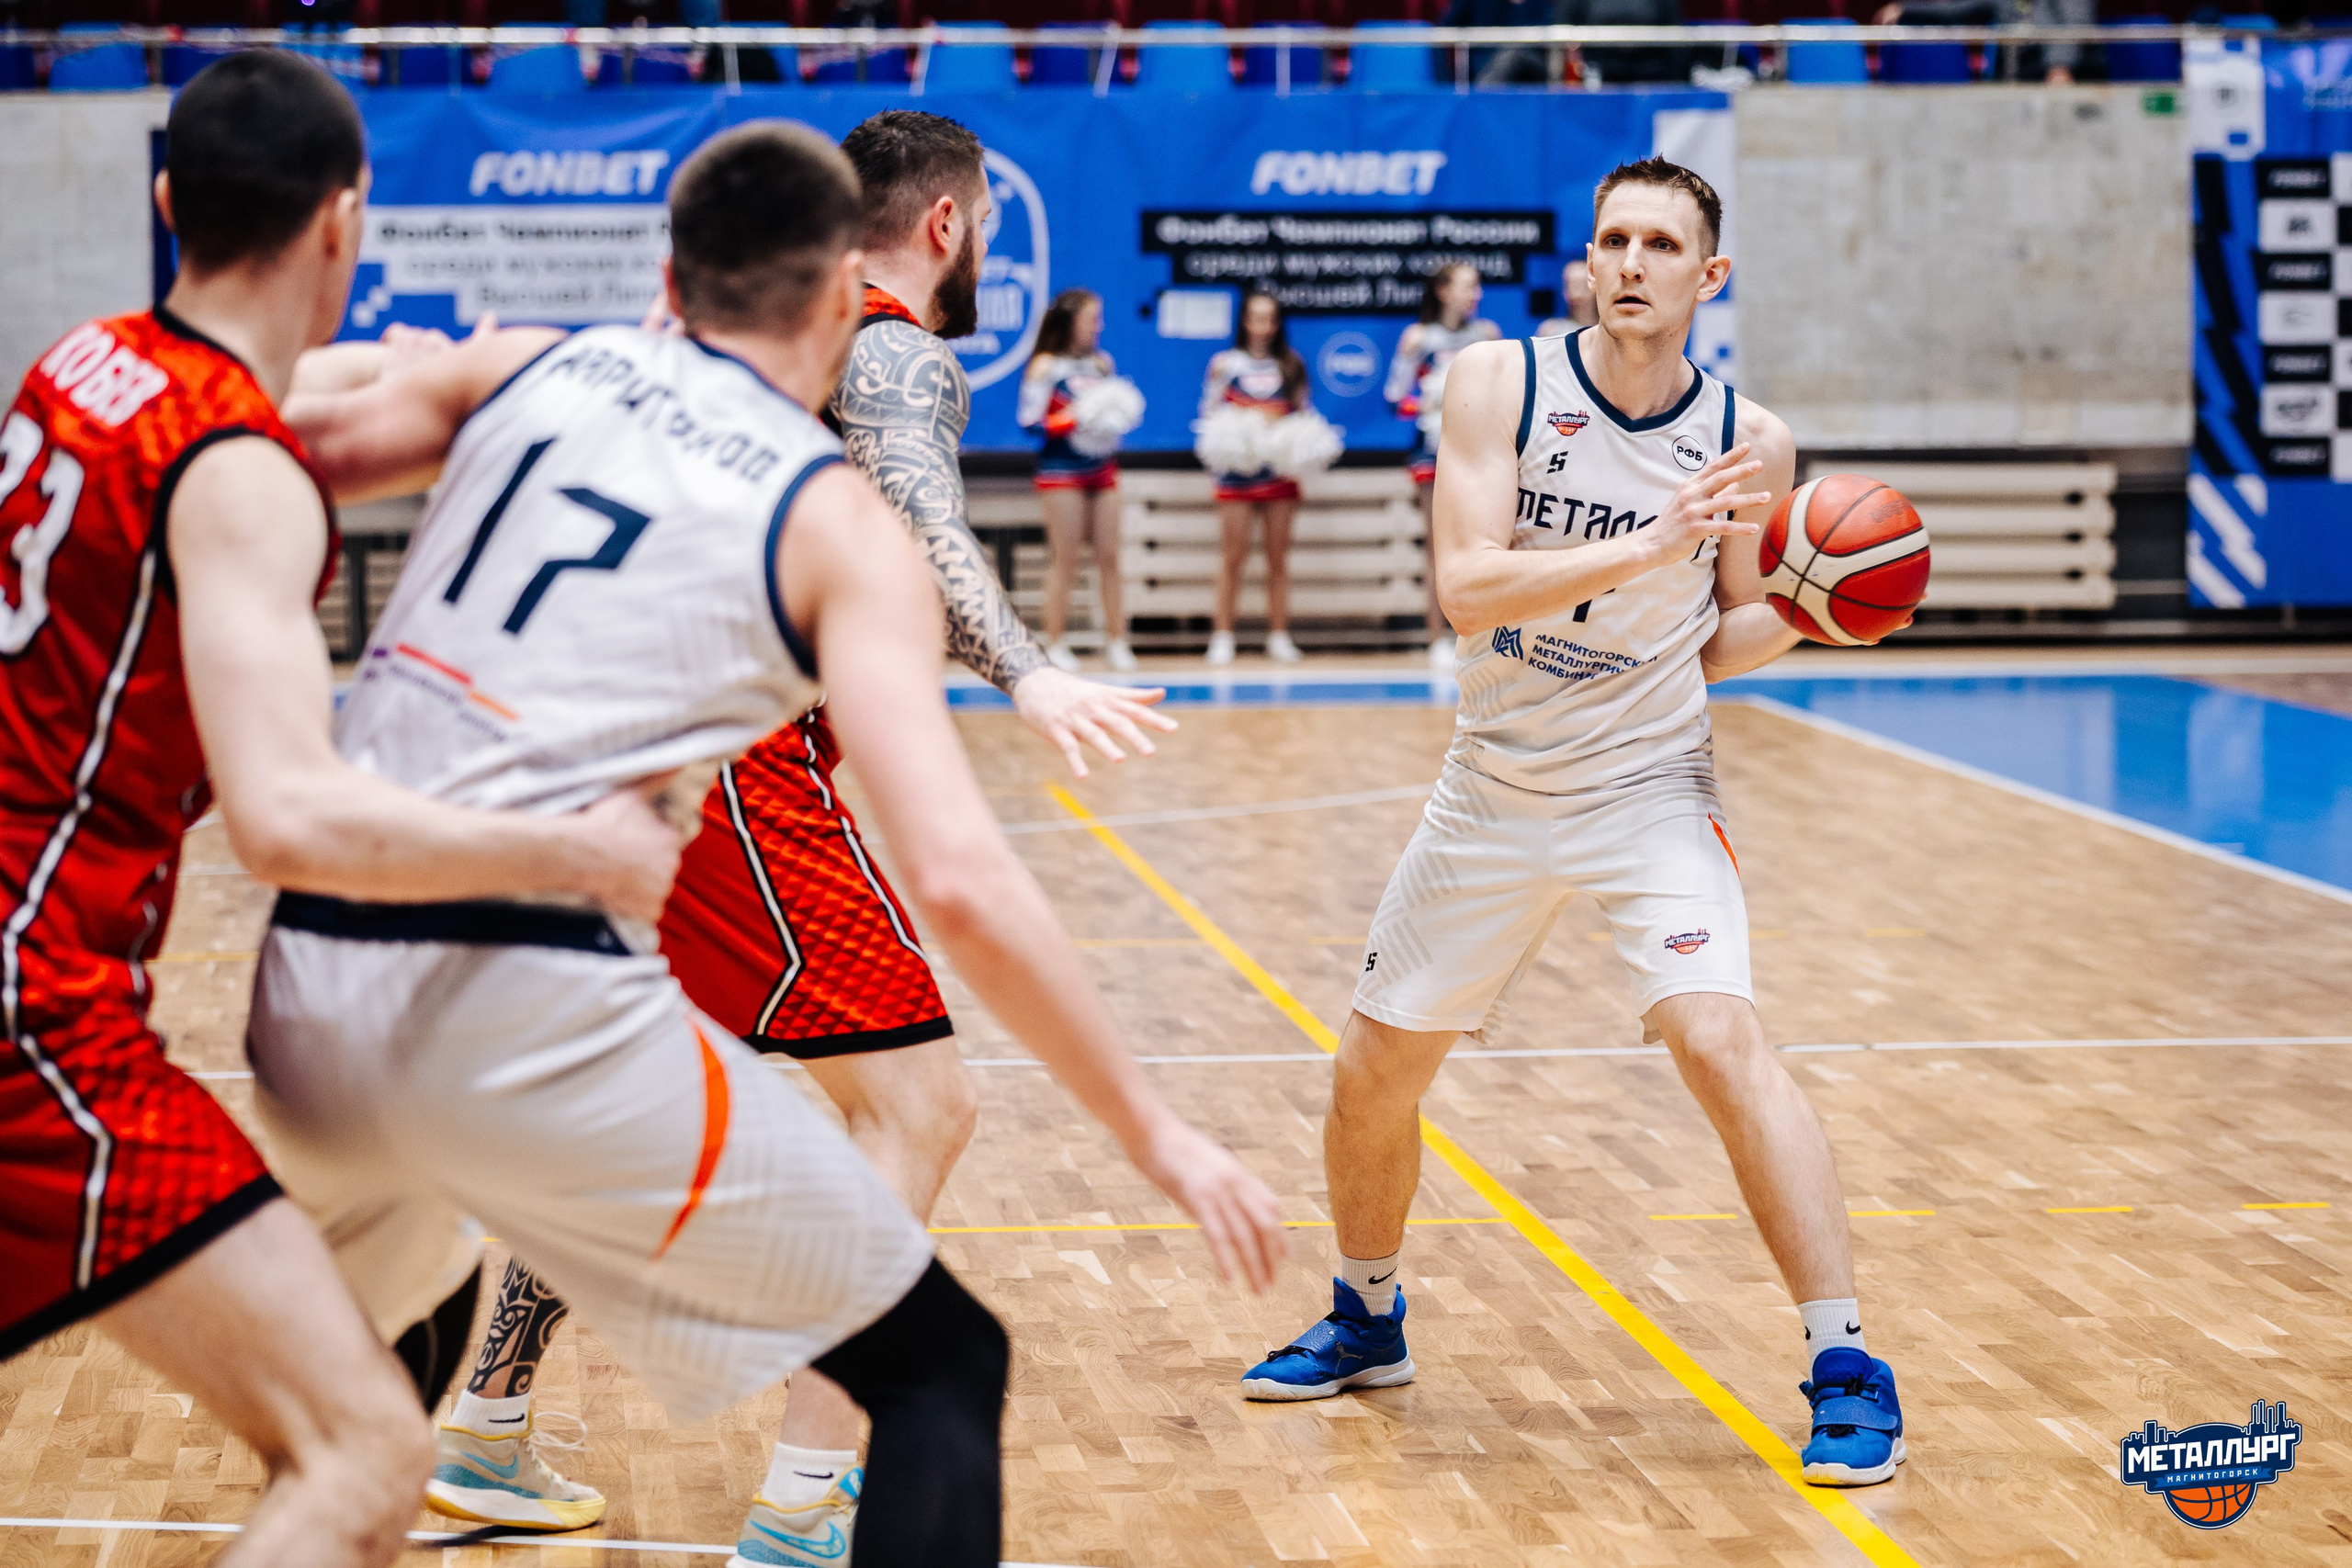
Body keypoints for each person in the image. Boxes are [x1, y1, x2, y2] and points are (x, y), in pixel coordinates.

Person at [264, 121, 1289, 1568]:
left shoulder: (564, 360)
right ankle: (807, 1503)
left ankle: (484, 1422)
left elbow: (294, 435)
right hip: (726, 776)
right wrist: (1033, 668)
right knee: (921, 1112)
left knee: (600, 1103)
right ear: (940, 227)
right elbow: (928, 549)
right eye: (983, 219)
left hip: (409, 878)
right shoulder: (891, 355)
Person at [0, 51, 684, 1568]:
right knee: (367, 1451)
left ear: (170, 203)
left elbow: (401, 399)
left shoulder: (88, 362)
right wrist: (571, 851)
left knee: (337, 1408)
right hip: (30, 1013)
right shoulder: (236, 467)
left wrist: (615, 371)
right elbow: (291, 821)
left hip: (39, 979)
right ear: (344, 222)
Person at [1238, 157, 1910, 1491]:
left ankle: (1847, 1364)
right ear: (1590, 258)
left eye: (1664, 242)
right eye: (1615, 237)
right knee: (1372, 1072)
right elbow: (1469, 589)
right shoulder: (1501, 383)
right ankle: (1369, 1315)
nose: (1634, 260)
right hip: (1491, 787)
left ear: (1708, 276)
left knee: (1720, 1038)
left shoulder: (1751, 442)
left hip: (1650, 786)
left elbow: (1718, 634)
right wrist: (1647, 545)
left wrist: (1842, 599)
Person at [1385, 263, 1500, 671]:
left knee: (1487, 542)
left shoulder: (1487, 336)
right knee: (1438, 546)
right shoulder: (1418, 339)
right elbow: (1395, 398)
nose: (1476, 294)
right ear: (1443, 291)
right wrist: (1434, 404)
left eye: (1478, 287)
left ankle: (1482, 634)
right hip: (1431, 453)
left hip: (1480, 453)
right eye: (1469, 286)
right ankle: (1436, 637)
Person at [1019, 287, 1134, 673]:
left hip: (1102, 468)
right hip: (1060, 471)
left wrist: (1113, 420)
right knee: (1065, 558)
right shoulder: (1045, 366)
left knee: (1110, 556)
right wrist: (1073, 418)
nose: (1097, 328)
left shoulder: (1103, 365)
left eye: (1098, 320)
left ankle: (1117, 641)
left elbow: (1115, 413)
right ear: (1070, 321)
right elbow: (1029, 421)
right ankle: (1054, 642)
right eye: (1091, 319)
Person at [1200, 288, 1309, 666]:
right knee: (1233, 556)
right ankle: (1222, 635)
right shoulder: (1224, 365)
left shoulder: (1291, 366)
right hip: (1236, 476)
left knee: (1278, 558)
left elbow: (1303, 417)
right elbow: (1209, 416)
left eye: (1270, 318)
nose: (1263, 326)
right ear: (1244, 321)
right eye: (1256, 317)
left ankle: (1278, 635)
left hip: (1279, 474)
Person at [1534, 255, 1599, 338]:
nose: (1575, 294)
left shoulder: (1610, 330)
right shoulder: (1551, 330)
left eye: (1583, 286)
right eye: (1569, 285)